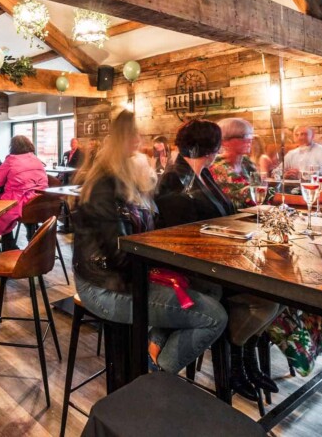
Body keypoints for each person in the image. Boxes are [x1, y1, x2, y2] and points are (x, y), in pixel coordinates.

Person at [73, 111, 227, 375]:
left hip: (125, 278)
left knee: (211, 289)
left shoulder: (128, 180)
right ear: (125, 141)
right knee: (214, 317)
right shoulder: (104, 186)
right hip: (104, 286)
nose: (141, 141)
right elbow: (119, 255)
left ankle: (151, 354)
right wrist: (164, 267)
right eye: (136, 135)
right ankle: (154, 380)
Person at [155, 118, 281, 401]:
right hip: (197, 272)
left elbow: (222, 214)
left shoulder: (203, 174)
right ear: (210, 149)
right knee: (267, 296)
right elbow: (183, 237)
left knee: (276, 293)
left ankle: (247, 363)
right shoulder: (175, 180)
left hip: (222, 259)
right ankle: (236, 366)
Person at [0, 135, 48, 250]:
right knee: (25, 203)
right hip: (42, 202)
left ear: (13, 147)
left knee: (1, 210)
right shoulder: (36, 159)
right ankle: (31, 233)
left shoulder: (11, 160)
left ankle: (8, 246)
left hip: (21, 203)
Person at [209, 118, 258, 209]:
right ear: (224, 141)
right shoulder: (217, 166)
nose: (249, 140)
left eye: (250, 135)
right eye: (243, 136)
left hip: (253, 215)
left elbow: (259, 187)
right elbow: (247, 195)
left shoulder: (247, 162)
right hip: (231, 219)